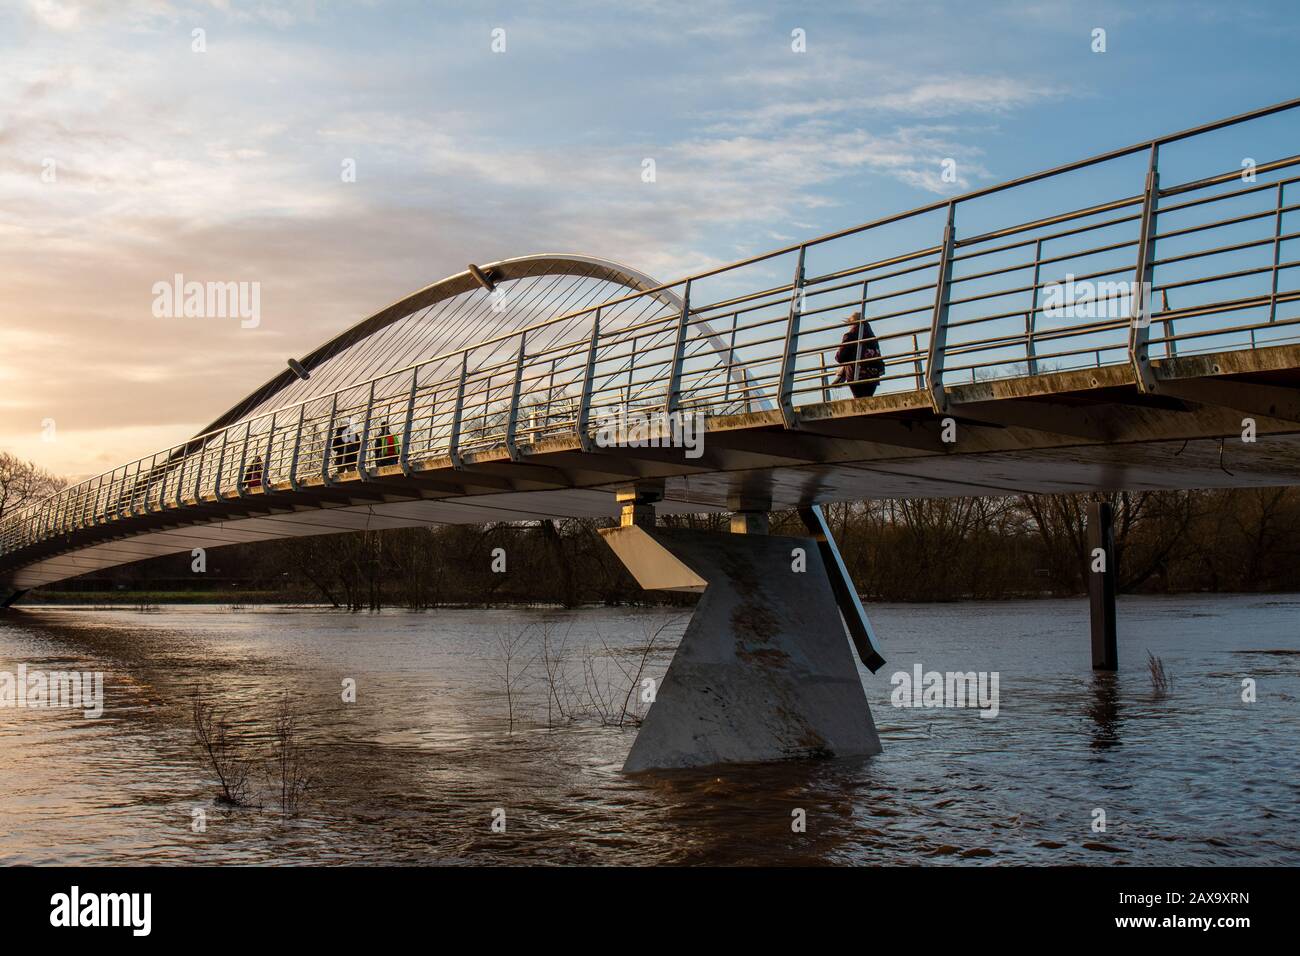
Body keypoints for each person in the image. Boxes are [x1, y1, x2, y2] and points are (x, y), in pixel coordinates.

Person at [833, 311, 885, 398]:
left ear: (852, 323)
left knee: (859, 401)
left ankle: (841, 374)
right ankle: (842, 373)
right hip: (873, 374)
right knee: (867, 399)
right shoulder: (872, 337)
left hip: (857, 374)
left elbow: (840, 357)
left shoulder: (851, 335)